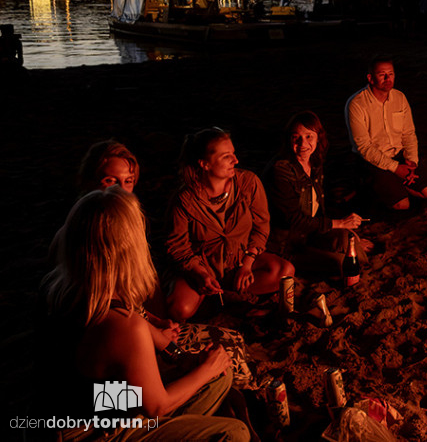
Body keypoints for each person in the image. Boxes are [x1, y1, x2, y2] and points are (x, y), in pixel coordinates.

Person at [37, 187, 249, 441]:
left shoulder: (58, 288)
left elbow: (137, 332)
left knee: (216, 381)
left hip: (82, 400)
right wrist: (206, 369)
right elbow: (156, 406)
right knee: (234, 432)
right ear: (130, 248)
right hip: (87, 430)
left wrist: (183, 357)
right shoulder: (122, 326)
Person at [166, 127, 294, 322]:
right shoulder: (185, 200)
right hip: (204, 267)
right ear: (205, 164)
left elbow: (261, 227)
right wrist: (199, 273)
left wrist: (248, 264)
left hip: (239, 262)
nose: (236, 160)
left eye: (233, 154)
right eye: (227, 157)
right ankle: (211, 292)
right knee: (180, 309)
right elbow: (176, 246)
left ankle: (225, 294)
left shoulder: (248, 183)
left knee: (285, 271)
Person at [265, 111, 372, 279]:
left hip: (310, 234)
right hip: (288, 243)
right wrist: (339, 223)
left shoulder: (314, 163)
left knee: (348, 239)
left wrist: (351, 234)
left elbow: (318, 209)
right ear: (289, 139)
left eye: (309, 137)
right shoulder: (281, 170)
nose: (303, 143)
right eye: (296, 137)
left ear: (318, 138)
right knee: (343, 264)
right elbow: (294, 220)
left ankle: (350, 251)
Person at [345, 57, 427, 210]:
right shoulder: (357, 104)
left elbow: (409, 133)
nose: (387, 78)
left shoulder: (399, 98)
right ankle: (373, 187)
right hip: (373, 160)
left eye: (390, 74)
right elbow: (364, 147)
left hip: (399, 154)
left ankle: (397, 185)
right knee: (402, 205)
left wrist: (411, 162)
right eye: (382, 74)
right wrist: (396, 168)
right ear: (370, 78)